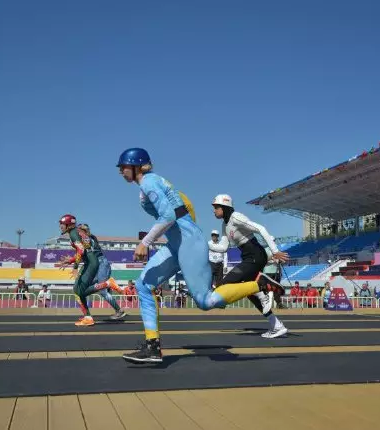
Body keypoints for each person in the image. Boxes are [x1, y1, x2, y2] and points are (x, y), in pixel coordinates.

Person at [116, 147, 282, 363]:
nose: (121, 171)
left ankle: (260, 285)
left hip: (188, 242)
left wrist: (145, 242)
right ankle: (152, 346)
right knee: (143, 285)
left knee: (205, 301)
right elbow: (184, 204)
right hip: (177, 243)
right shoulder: (149, 184)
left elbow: (168, 215)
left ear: (136, 165)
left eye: (123, 166)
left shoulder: (149, 181)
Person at [208, 194, 289, 338]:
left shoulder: (236, 217)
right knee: (248, 292)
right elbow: (223, 247)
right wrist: (206, 246)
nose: (213, 211)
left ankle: (262, 284)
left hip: (255, 256)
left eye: (216, 207)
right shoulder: (224, 225)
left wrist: (275, 251)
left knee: (224, 283)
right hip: (248, 257)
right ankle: (277, 325)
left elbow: (261, 229)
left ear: (225, 207)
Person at [55, 214, 123, 326]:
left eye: (62, 224)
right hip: (92, 262)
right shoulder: (79, 232)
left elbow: (81, 250)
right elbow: (85, 250)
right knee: (80, 292)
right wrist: (71, 260)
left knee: (77, 291)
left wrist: (75, 266)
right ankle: (88, 316)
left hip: (90, 264)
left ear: (68, 224)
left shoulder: (73, 233)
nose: (60, 226)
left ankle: (106, 284)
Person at [77, 223, 126, 320]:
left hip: (101, 264)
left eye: (78, 231)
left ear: (83, 231)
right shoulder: (88, 239)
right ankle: (87, 316)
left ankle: (119, 310)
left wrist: (75, 261)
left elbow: (85, 252)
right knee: (82, 291)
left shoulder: (86, 238)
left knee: (102, 291)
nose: (77, 233)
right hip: (96, 266)